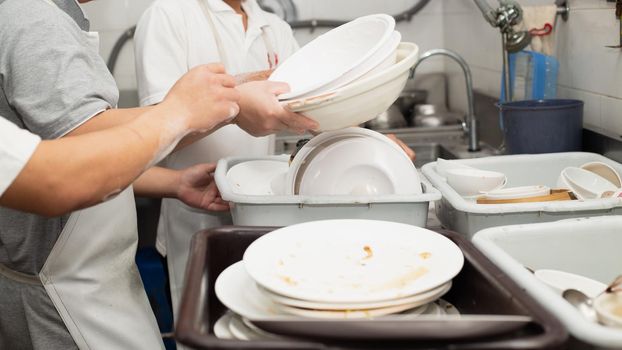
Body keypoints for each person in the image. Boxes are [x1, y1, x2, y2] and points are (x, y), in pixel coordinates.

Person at [0, 0, 316, 348]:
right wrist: (201, 110)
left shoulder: (56, 17)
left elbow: (75, 148)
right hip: (64, 290)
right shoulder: (30, 16)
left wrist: (173, 181)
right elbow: (66, 169)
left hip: (101, 280)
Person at [134, 0, 313, 327]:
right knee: (206, 323)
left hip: (264, 211)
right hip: (195, 211)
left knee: (264, 321)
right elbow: (157, 132)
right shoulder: (170, 15)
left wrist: (360, 135)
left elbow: (314, 105)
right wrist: (239, 97)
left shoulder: (275, 29)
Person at [0, 65, 234, 216]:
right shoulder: (27, 15)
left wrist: (176, 182)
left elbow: (28, 165)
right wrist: (179, 113)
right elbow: (55, 179)